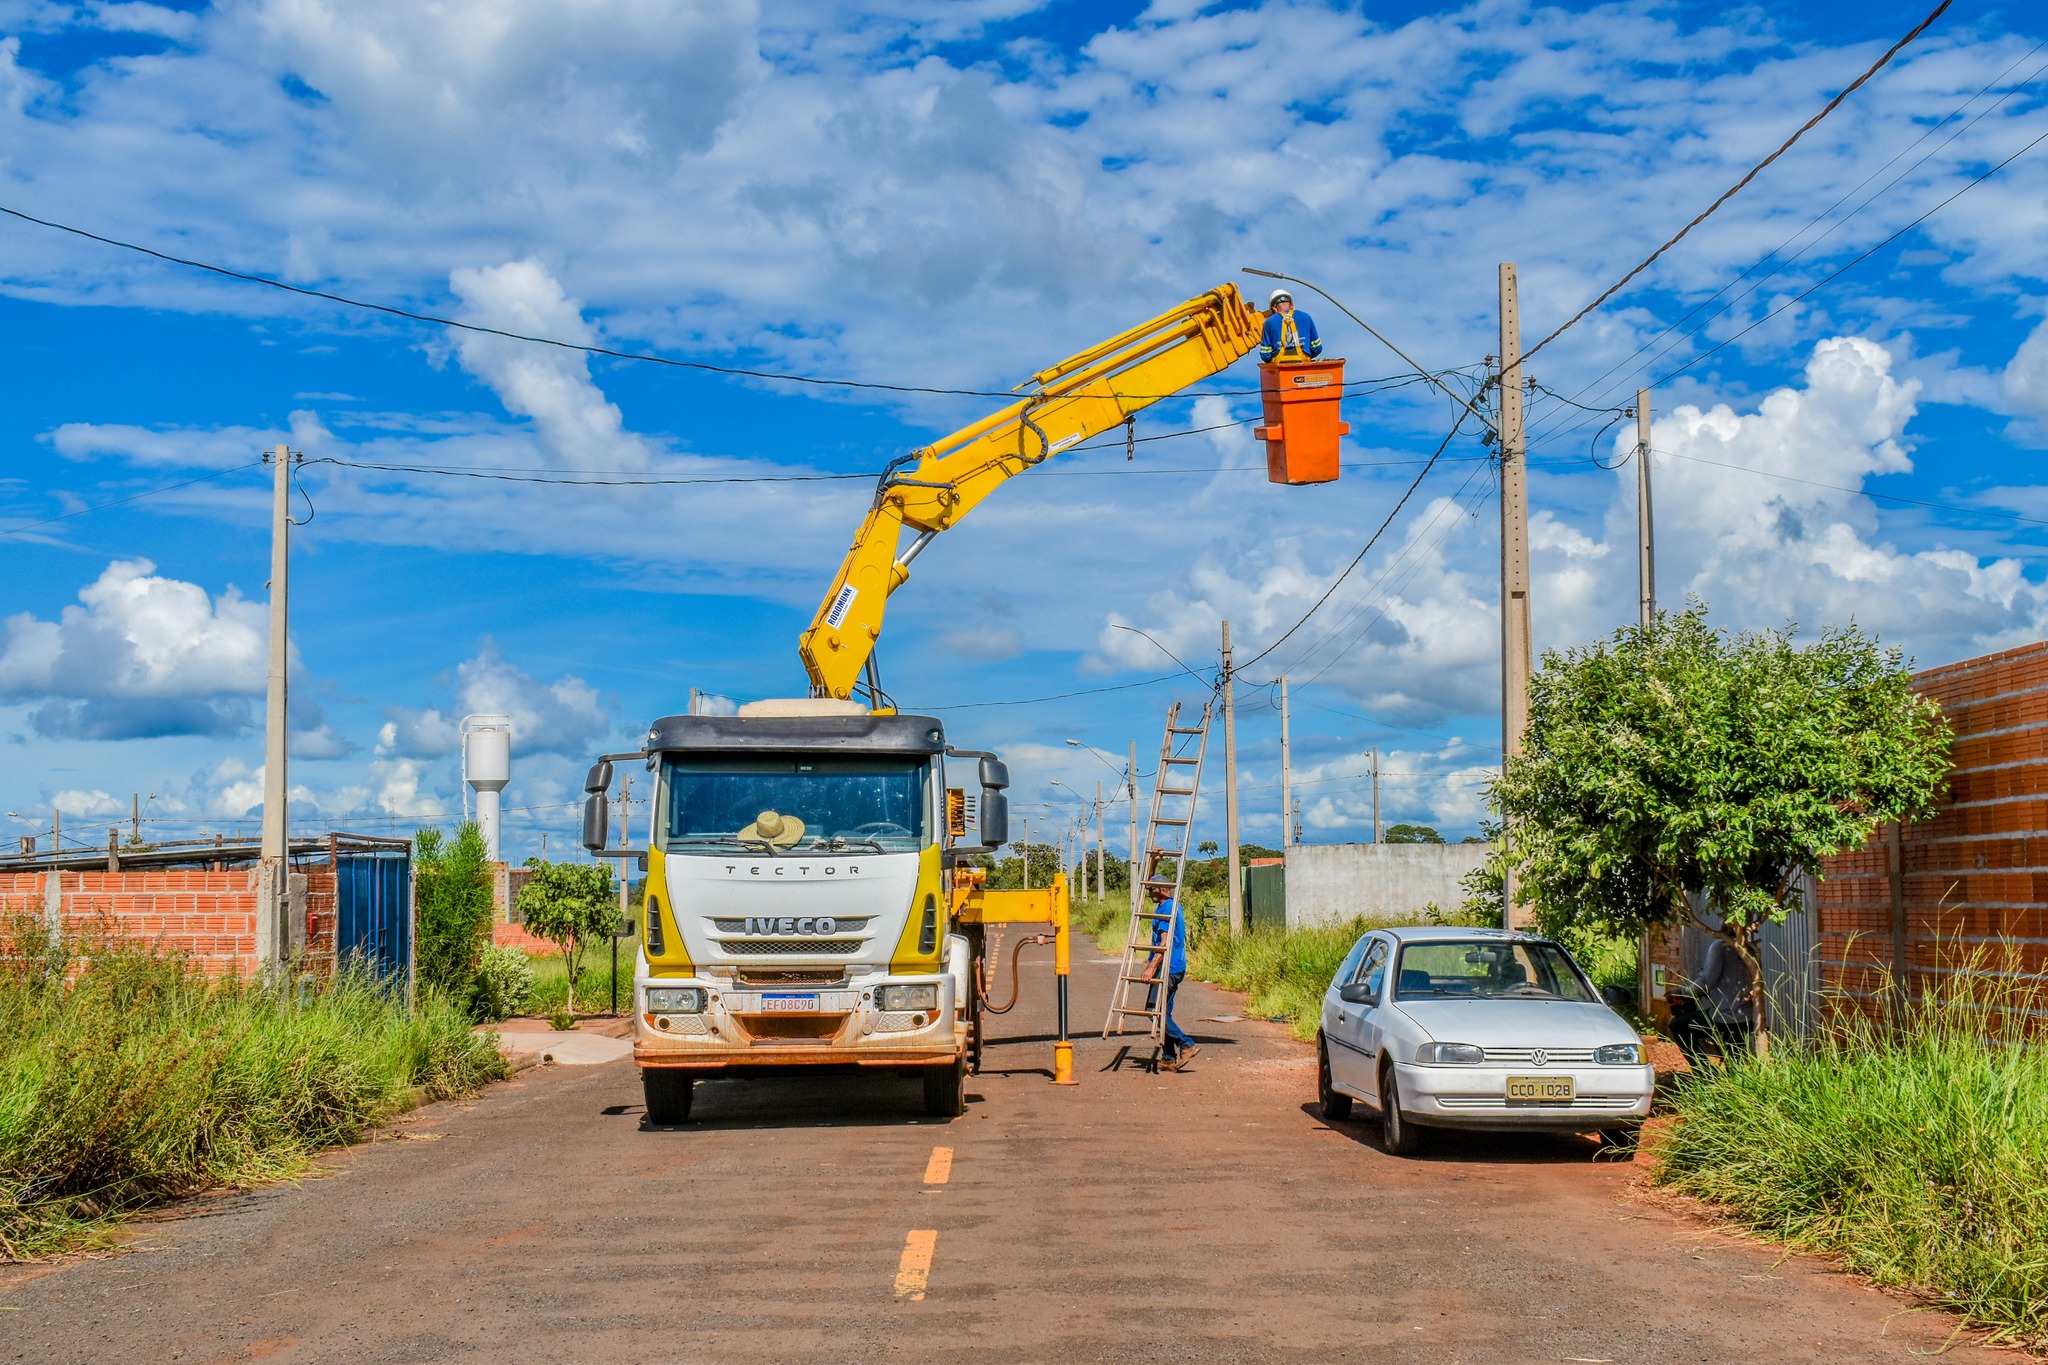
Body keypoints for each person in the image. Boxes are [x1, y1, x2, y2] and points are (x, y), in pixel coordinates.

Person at [1138, 885, 1199, 1070]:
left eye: (1151, 891)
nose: (1148, 894)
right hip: (1177, 966)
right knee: (1165, 1013)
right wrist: (1155, 860)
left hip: (1167, 968)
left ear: (1162, 889)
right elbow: (1151, 879)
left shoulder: (1165, 909)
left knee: (1153, 1011)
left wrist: (1151, 967)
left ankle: (1186, 1044)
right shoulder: (1173, 905)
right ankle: (1168, 1057)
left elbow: (1164, 943)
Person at [1671, 936, 1754, 1064]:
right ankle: (1733, 1074)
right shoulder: (1751, 947)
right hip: (1749, 1016)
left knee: (1677, 1026)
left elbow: (1706, 981)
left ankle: (1705, 1072)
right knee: (1735, 1057)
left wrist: (1682, 992)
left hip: (1725, 1015)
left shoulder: (1720, 946)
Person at [1259, 288, 1323, 363]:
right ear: (1292, 305)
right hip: (1303, 366)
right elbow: (1317, 347)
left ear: (1274, 309)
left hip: (1280, 369)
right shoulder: (1306, 317)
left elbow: (1265, 354)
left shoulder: (1269, 322)